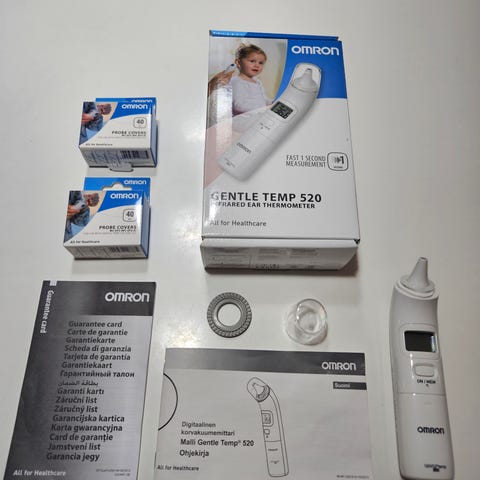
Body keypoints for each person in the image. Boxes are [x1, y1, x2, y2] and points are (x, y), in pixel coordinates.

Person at [208, 44, 272, 117]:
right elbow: (238, 106)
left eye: (260, 63)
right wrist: (262, 109)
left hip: (258, 116)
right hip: (243, 120)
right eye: (252, 61)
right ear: (238, 63)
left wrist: (274, 102)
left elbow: (264, 100)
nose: (257, 65)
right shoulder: (236, 81)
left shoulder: (258, 82)